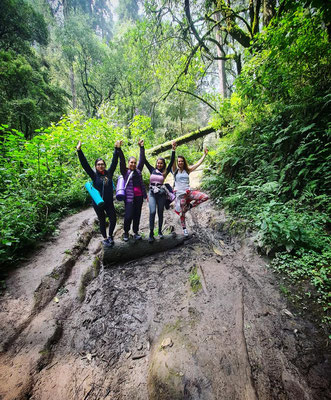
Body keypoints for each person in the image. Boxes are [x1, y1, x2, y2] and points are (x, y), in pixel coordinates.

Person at [76, 140, 122, 246]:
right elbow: (85, 165)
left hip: (109, 202)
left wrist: (117, 149)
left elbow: (115, 161)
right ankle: (105, 239)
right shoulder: (94, 175)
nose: (101, 166)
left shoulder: (109, 174)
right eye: (98, 164)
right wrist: (79, 151)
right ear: (96, 166)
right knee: (102, 220)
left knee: (113, 218)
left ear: (105, 165)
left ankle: (110, 236)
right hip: (98, 203)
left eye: (102, 164)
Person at [145, 141, 177, 242]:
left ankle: (159, 231)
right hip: (151, 193)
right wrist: (142, 147)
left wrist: (173, 150)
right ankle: (151, 233)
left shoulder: (165, 172)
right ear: (156, 163)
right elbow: (144, 161)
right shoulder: (152, 170)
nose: (159, 164)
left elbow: (172, 161)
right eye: (158, 163)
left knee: (160, 212)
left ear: (163, 164)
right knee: (152, 212)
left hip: (161, 194)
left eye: (161, 163)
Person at [172, 149, 209, 236]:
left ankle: (190, 206)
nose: (180, 162)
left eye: (182, 161)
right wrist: (173, 150)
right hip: (181, 196)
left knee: (205, 197)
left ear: (184, 162)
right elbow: (172, 161)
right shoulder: (175, 171)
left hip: (189, 192)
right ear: (177, 162)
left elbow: (198, 164)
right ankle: (184, 229)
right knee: (182, 212)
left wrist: (204, 155)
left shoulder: (187, 170)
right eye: (179, 161)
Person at [118, 139, 147, 241]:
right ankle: (126, 232)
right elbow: (121, 161)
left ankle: (135, 232)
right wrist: (119, 149)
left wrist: (142, 147)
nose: (133, 164)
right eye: (131, 163)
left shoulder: (138, 171)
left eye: (134, 163)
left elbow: (142, 160)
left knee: (137, 215)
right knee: (128, 216)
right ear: (128, 163)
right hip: (129, 199)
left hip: (139, 198)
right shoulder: (125, 172)